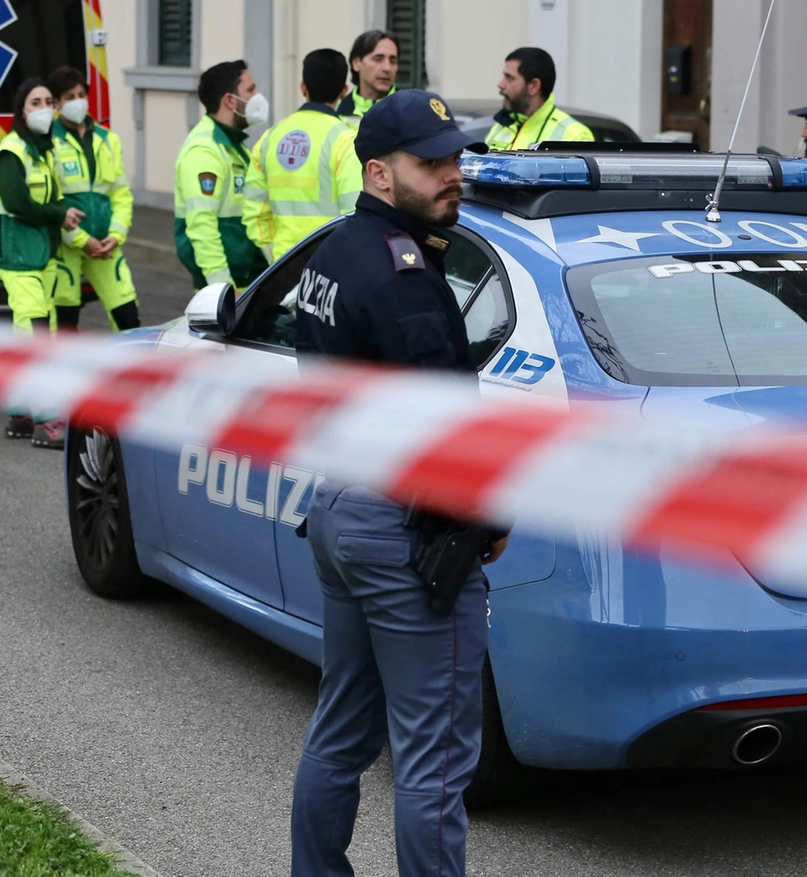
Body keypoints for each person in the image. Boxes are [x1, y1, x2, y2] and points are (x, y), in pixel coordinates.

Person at [289, 90, 502, 877]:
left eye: (455, 156)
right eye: (433, 163)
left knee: (341, 727)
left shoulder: (335, 250)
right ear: (381, 173)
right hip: (404, 528)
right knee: (436, 762)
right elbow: (442, 432)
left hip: (341, 511)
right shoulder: (402, 275)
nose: (455, 173)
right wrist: (482, 518)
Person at [0, 79, 83, 448]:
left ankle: (20, 411)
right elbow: (16, 203)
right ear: (21, 110)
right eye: (35, 102)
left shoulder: (42, 150)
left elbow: (50, 197)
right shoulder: (12, 151)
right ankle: (47, 420)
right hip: (17, 251)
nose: (45, 108)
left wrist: (61, 216)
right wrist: (58, 215)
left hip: (39, 251)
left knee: (32, 328)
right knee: (37, 332)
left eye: (48, 101)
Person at [45, 65, 140, 333]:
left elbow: (121, 194)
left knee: (128, 318)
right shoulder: (48, 141)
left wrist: (116, 235)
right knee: (64, 323)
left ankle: (129, 372)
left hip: (105, 244)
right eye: (69, 97)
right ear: (57, 104)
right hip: (67, 245)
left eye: (80, 95)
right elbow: (51, 200)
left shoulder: (108, 140)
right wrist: (80, 239)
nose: (77, 102)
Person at [244, 49, 361, 262]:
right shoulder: (346, 141)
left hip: (283, 267)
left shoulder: (269, 139)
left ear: (303, 88)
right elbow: (355, 217)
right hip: (329, 267)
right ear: (344, 91)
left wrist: (278, 260)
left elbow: (255, 214)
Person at [174, 60, 270, 290]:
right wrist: (221, 290)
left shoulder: (236, 147)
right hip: (228, 286)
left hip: (247, 279)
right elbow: (202, 225)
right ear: (230, 100)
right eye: (250, 89)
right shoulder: (204, 151)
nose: (257, 96)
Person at [485, 47, 593, 150]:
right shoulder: (501, 125)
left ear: (534, 86)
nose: (500, 84)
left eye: (509, 78)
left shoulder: (575, 136)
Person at [337, 29, 399, 126]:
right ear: (356, 63)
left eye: (393, 61)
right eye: (378, 59)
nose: (387, 68)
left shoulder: (411, 112)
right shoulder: (337, 114)